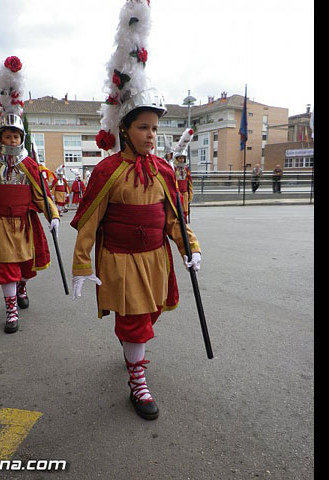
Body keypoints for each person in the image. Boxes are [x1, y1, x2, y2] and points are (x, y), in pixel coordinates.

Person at [71, 0, 202, 421]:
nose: (151, 135)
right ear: (124, 129)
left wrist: (190, 248)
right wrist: (79, 265)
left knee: (145, 318)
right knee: (134, 325)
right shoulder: (108, 170)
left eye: (155, 127)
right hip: (120, 261)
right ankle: (138, 380)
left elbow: (175, 218)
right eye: (143, 127)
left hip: (154, 261)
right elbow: (89, 220)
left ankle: (133, 358)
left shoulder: (163, 170)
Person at [0, 55, 60, 334]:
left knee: (23, 267)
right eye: (7, 136)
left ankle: (21, 288)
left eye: (16, 137)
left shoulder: (30, 165)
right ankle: (10, 310)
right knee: (6, 268)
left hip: (23, 225)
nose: (11, 141)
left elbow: (41, 195)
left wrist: (53, 215)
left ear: (22, 139)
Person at [171, 128, 194, 223]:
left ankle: (184, 225)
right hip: (177, 193)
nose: (181, 160)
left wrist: (190, 194)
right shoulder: (174, 169)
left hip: (184, 193)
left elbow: (190, 183)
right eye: (179, 158)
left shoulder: (186, 170)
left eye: (182, 158)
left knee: (184, 212)